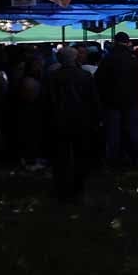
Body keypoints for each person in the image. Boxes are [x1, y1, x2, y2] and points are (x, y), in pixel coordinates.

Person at [46, 47, 100, 202]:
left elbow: (48, 101)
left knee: (61, 156)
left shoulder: (52, 77)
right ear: (75, 58)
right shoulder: (85, 76)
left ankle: (62, 188)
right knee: (80, 155)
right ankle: (78, 187)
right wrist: (96, 119)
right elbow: (93, 100)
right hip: (81, 120)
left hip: (59, 120)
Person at [95, 32, 138, 165]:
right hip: (131, 100)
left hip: (111, 101)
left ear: (114, 42)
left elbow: (98, 80)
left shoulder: (107, 59)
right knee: (132, 130)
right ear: (127, 42)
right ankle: (135, 158)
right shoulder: (133, 59)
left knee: (113, 132)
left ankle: (113, 160)